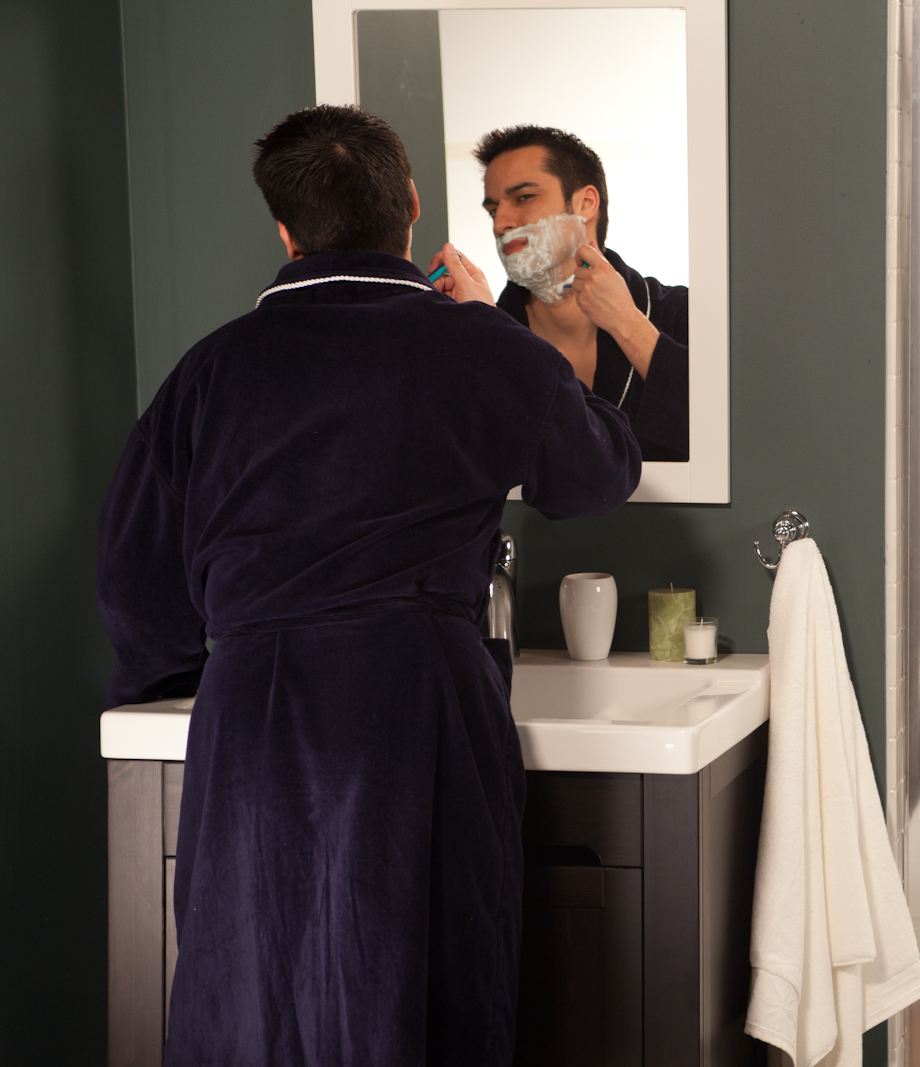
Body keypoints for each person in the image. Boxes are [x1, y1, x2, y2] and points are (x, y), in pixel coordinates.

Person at [96, 105, 640, 1066]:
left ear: (286, 231)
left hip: (255, 711)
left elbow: (136, 576)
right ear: (413, 205)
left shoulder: (205, 373)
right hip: (419, 702)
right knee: (427, 975)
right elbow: (597, 475)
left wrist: (183, 674)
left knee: (256, 987)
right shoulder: (483, 347)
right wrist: (489, 324)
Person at [434, 125, 689, 462]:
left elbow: (730, 431)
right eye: (493, 210)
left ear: (585, 203)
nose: (500, 223)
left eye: (524, 197)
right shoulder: (483, 340)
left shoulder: (681, 314)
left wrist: (628, 324)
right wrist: (486, 336)